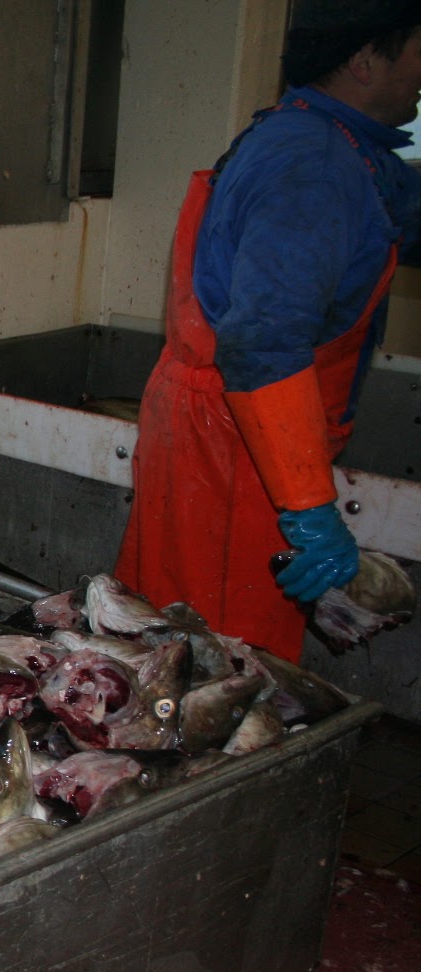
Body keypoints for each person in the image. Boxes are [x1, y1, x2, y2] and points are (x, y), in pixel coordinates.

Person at [115, 0, 421, 660]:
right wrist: (308, 507)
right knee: (221, 667)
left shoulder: (334, 144)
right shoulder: (311, 165)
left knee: (178, 648)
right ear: (366, 60)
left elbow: (393, 216)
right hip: (234, 452)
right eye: (419, 51)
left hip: (223, 433)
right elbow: (262, 340)